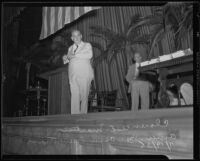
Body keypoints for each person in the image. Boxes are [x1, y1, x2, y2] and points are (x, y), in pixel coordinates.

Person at [62, 29, 94, 114]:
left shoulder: (87, 45)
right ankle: (75, 116)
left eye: (78, 35)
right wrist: (65, 58)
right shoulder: (70, 48)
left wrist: (74, 55)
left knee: (84, 96)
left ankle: (83, 115)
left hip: (84, 73)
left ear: (81, 36)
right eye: (74, 36)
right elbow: (69, 59)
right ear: (72, 38)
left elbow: (89, 55)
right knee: (74, 95)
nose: (76, 37)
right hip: (72, 74)